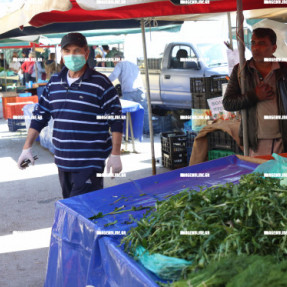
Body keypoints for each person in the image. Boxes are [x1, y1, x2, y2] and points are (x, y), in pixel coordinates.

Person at [17, 32, 123, 198]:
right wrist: (26, 148)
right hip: (62, 160)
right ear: (62, 54)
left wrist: (116, 154)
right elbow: (40, 115)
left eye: (77, 50)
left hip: (90, 161)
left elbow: (116, 119)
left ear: (86, 53)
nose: (72, 55)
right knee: (71, 205)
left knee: (85, 208)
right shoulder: (54, 83)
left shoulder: (101, 83)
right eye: (67, 51)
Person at [223, 27, 287, 156]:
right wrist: (254, 95)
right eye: (253, 43)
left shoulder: (284, 69)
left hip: (283, 140)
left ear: (274, 48)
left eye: (262, 43)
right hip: (254, 142)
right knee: (258, 175)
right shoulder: (241, 70)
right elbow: (228, 103)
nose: (256, 48)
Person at [108, 54, 149, 134]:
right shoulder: (133, 64)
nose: (114, 63)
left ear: (118, 59)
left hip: (128, 91)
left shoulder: (120, 64)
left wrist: (104, 81)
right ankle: (147, 131)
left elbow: (114, 75)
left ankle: (127, 132)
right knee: (144, 111)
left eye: (114, 61)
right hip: (140, 90)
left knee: (126, 112)